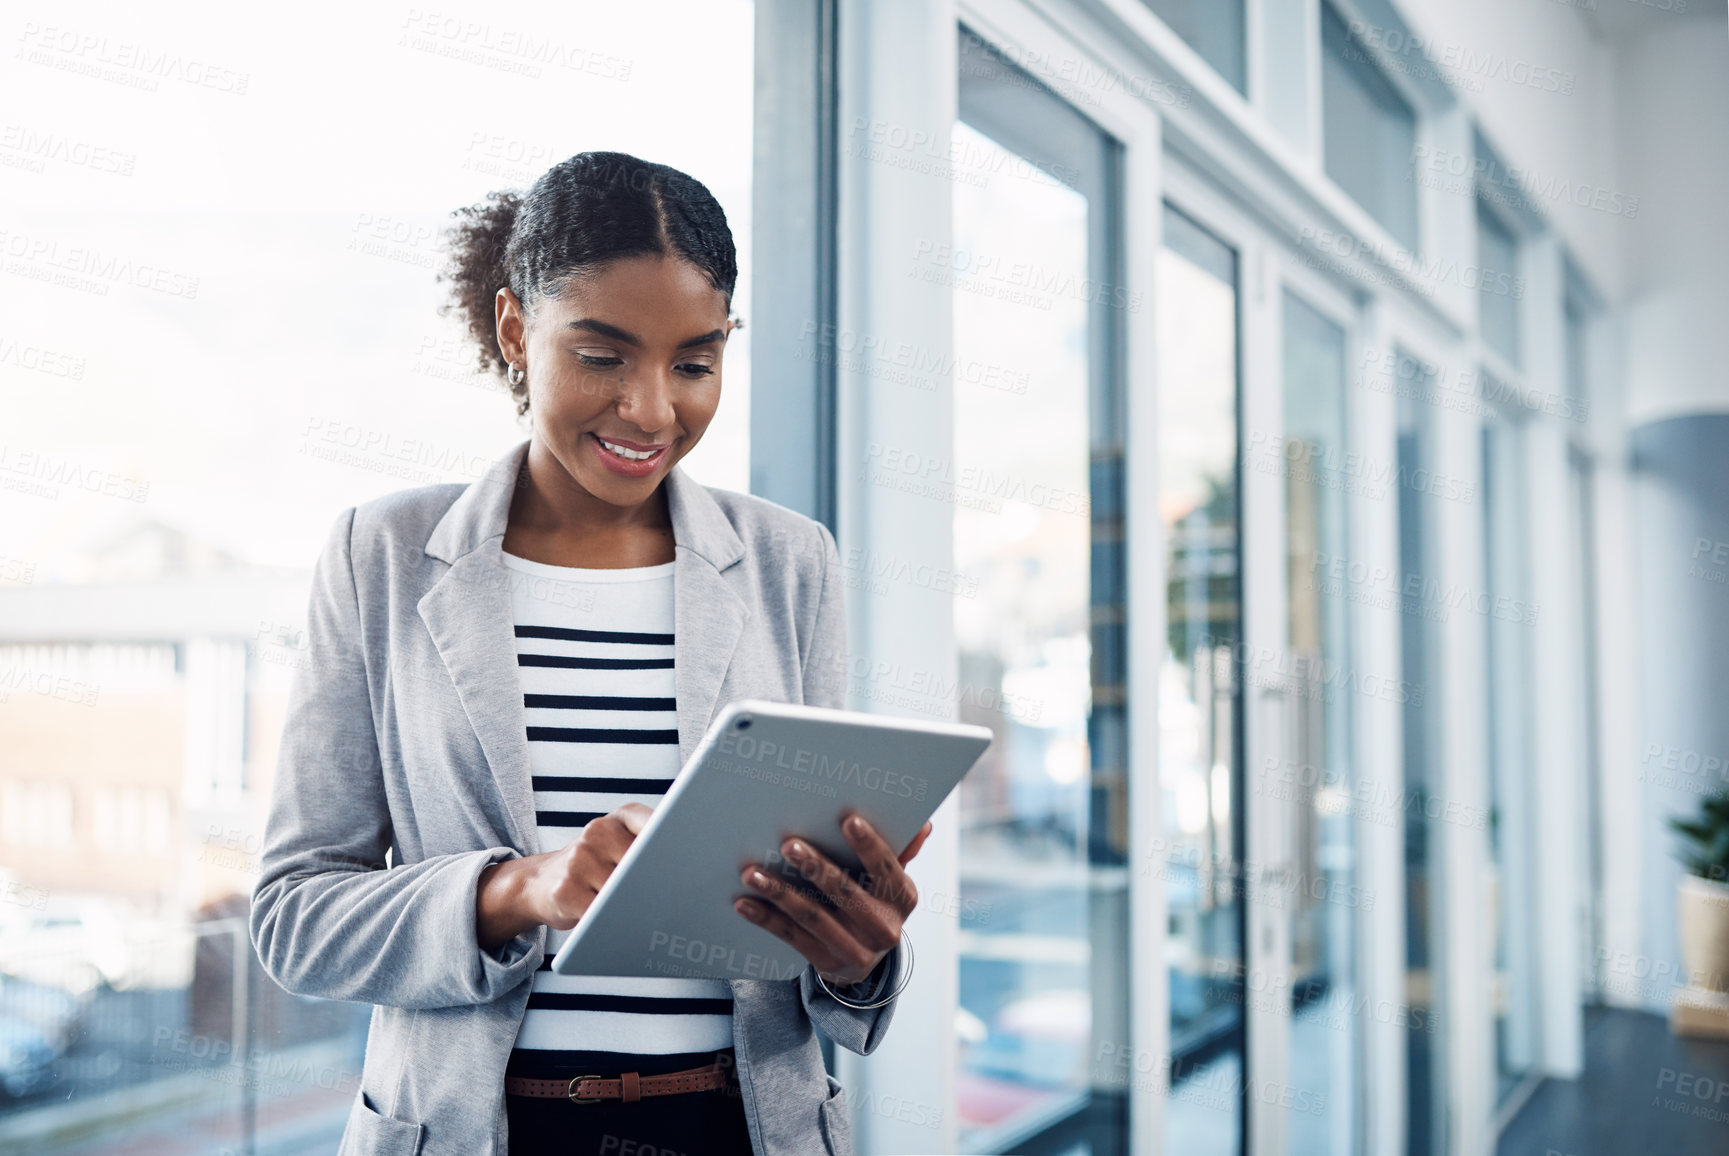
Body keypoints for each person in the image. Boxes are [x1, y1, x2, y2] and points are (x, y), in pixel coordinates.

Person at [249, 150, 930, 1156]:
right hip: (481, 1132)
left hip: (739, 1128)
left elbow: (819, 970)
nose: (652, 410)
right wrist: (518, 888)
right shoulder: (381, 555)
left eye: (694, 363)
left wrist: (858, 956)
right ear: (516, 330)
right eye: (605, 356)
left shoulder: (790, 563)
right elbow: (296, 918)